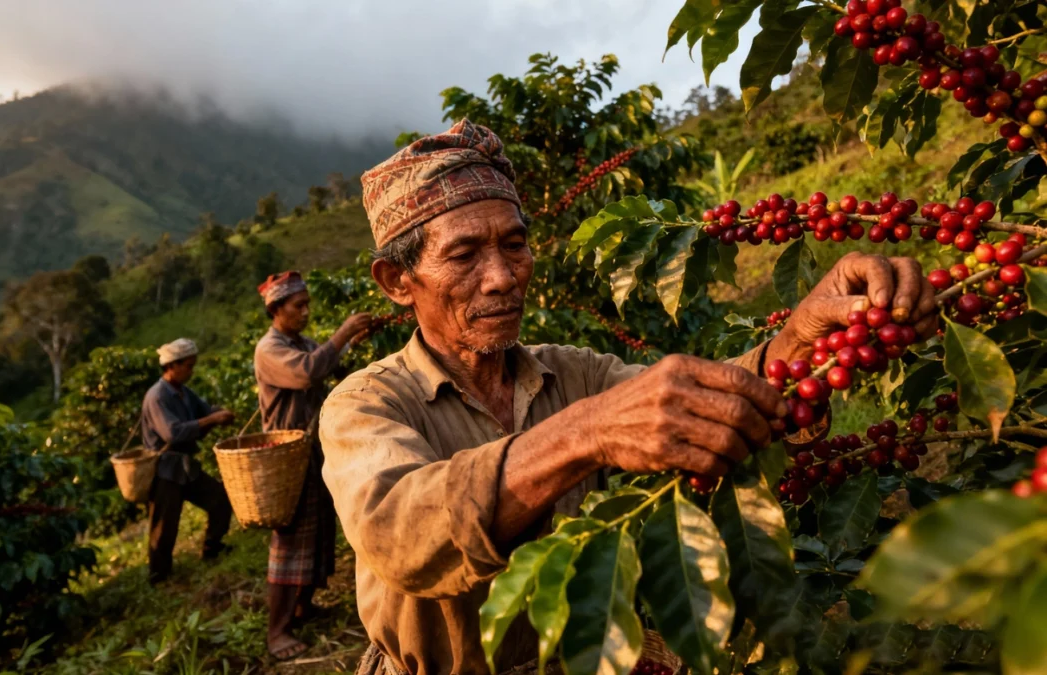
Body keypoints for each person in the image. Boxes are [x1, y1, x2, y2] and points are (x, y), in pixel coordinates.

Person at [318, 120, 940, 675]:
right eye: (464, 253)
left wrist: (799, 338)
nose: (504, 276)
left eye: (514, 244)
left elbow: (700, 405)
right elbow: (398, 530)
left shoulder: (570, 372)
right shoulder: (367, 403)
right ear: (398, 281)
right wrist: (586, 433)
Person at [253, 272, 373, 661]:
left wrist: (349, 346)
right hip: (286, 455)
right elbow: (307, 371)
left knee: (317, 530)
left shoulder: (301, 343)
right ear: (276, 309)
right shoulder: (270, 349)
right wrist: (340, 335)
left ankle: (303, 605)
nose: (305, 312)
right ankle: (277, 631)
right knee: (290, 540)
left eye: (307, 305)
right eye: (297, 306)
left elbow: (329, 373)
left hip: (312, 450)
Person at [142, 338, 236, 585]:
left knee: (220, 500)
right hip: (165, 471)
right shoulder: (157, 396)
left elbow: (204, 410)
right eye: (188, 366)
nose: (191, 371)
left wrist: (218, 412)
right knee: (164, 527)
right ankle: (159, 576)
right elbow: (173, 433)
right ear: (173, 366)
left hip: (185, 467)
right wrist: (212, 420)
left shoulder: (184, 392)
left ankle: (212, 547)